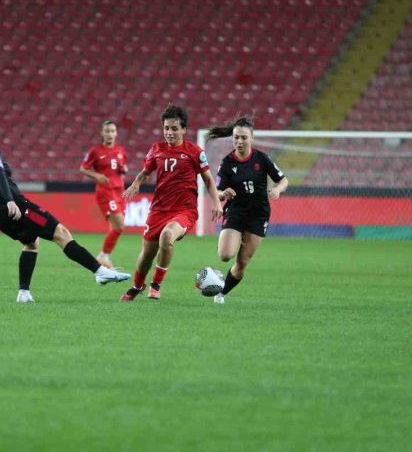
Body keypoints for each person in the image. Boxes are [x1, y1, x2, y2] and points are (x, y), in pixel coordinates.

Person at [0, 116, 130, 303]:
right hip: (18, 208)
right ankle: (99, 271)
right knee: (61, 233)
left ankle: (24, 293)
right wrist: (9, 201)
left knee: (32, 243)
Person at [120, 104, 223, 301]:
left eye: (174, 128)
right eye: (166, 128)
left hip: (184, 210)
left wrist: (216, 203)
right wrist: (136, 184)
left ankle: (155, 285)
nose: (169, 132)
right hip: (159, 209)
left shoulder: (194, 152)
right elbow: (145, 173)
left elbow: (208, 180)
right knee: (146, 255)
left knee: (167, 237)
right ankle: (137, 286)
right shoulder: (156, 149)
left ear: (184, 129)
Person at [206, 116, 289, 304]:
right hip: (236, 211)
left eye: (244, 137)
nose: (239, 141)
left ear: (252, 138)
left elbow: (283, 180)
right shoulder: (227, 163)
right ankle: (227, 242)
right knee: (225, 255)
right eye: (236, 137)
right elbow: (217, 192)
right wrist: (222, 194)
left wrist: (277, 189)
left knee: (242, 262)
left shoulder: (262, 159)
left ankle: (222, 293)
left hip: (258, 215)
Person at [79, 120, 128, 268]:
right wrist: (97, 176)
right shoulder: (95, 151)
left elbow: (122, 166)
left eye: (112, 131)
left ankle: (104, 259)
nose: (110, 134)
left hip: (120, 191)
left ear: (116, 133)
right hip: (106, 191)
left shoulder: (120, 150)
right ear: (102, 133)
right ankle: (103, 256)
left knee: (116, 228)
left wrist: (124, 169)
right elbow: (83, 168)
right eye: (107, 131)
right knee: (119, 226)